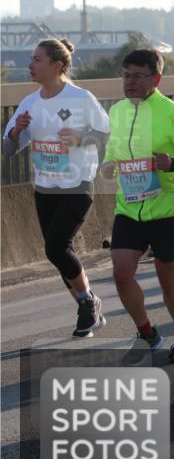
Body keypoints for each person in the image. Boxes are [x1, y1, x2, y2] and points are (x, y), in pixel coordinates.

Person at [100, 49, 174, 362]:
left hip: (167, 208)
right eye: (126, 75)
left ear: (156, 78)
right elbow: (113, 151)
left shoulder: (172, 113)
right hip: (129, 207)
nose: (130, 82)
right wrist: (108, 165)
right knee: (121, 273)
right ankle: (147, 332)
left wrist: (172, 163)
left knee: (166, 277)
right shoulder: (118, 111)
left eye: (138, 75)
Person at [3, 39, 110, 338]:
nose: (30, 65)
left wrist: (81, 137)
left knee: (56, 247)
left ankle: (88, 302)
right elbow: (8, 148)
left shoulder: (81, 98)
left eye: (37, 59)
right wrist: (16, 131)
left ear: (57, 66)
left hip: (77, 183)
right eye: (31, 59)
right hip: (46, 186)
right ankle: (86, 304)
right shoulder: (29, 103)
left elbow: (105, 135)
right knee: (59, 250)